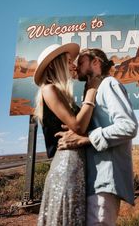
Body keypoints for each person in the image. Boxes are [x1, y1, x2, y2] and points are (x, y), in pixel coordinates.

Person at [56, 48, 138, 226]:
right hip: (94, 179)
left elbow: (128, 126)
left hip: (105, 178)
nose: (76, 68)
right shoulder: (93, 91)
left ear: (96, 63)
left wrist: (85, 139)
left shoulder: (109, 84)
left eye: (81, 62)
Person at [33, 43, 102, 226]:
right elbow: (78, 126)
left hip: (75, 166)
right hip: (66, 166)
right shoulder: (48, 89)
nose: (73, 66)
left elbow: (82, 128)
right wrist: (92, 90)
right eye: (69, 61)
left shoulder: (64, 96)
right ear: (54, 65)